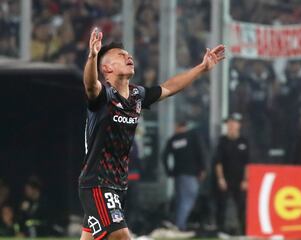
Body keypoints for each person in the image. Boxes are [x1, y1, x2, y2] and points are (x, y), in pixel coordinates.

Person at [79, 27, 225, 240]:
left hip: (118, 184)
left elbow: (169, 87)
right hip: (97, 182)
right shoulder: (104, 97)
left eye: (128, 55)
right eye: (121, 56)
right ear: (107, 68)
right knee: (121, 236)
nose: (128, 57)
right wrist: (92, 57)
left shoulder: (137, 95)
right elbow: (90, 85)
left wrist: (201, 68)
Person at [162, 120, 206, 231]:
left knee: (180, 200)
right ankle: (180, 225)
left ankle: (178, 223)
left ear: (178, 126)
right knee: (188, 199)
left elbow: (164, 156)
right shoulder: (192, 136)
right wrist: (202, 169)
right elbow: (201, 151)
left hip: (178, 174)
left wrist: (169, 171)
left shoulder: (173, 139)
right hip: (191, 174)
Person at [213, 113, 249, 235]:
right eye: (229, 123)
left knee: (242, 207)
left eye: (234, 122)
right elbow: (218, 162)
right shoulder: (222, 141)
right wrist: (220, 178)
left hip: (240, 180)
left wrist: (246, 180)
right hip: (226, 178)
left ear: (239, 125)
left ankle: (244, 232)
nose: (232, 125)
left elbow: (247, 163)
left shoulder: (244, 142)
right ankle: (221, 231)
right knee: (221, 205)